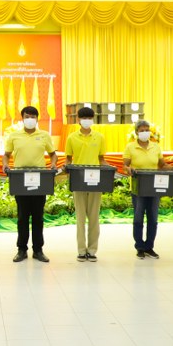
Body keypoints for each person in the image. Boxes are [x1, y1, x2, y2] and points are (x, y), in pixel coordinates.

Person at [3, 106, 57, 263]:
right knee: (22, 217)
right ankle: (21, 250)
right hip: (20, 180)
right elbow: (6, 155)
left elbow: (53, 154)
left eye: (33, 116)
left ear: (37, 119)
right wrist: (5, 165)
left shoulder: (44, 135)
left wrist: (53, 164)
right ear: (22, 118)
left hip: (39, 180)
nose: (30, 119)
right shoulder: (14, 136)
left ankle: (38, 250)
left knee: (38, 217)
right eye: (27, 116)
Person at [123, 120, 173, 260]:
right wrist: (129, 169)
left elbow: (162, 165)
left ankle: (149, 247)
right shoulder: (130, 147)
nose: (145, 132)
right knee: (138, 218)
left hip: (154, 187)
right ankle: (140, 247)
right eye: (142, 130)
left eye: (147, 130)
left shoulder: (156, 147)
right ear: (136, 132)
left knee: (153, 218)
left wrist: (172, 168)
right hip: (138, 188)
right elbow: (125, 166)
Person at [63, 106, 107, 262]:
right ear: (78, 120)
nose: (86, 120)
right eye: (84, 118)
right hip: (78, 180)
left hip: (95, 181)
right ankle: (81, 250)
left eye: (89, 118)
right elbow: (68, 159)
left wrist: (108, 170)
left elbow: (102, 159)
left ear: (92, 119)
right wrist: (66, 168)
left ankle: (92, 250)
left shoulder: (99, 137)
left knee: (94, 217)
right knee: (80, 218)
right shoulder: (71, 137)